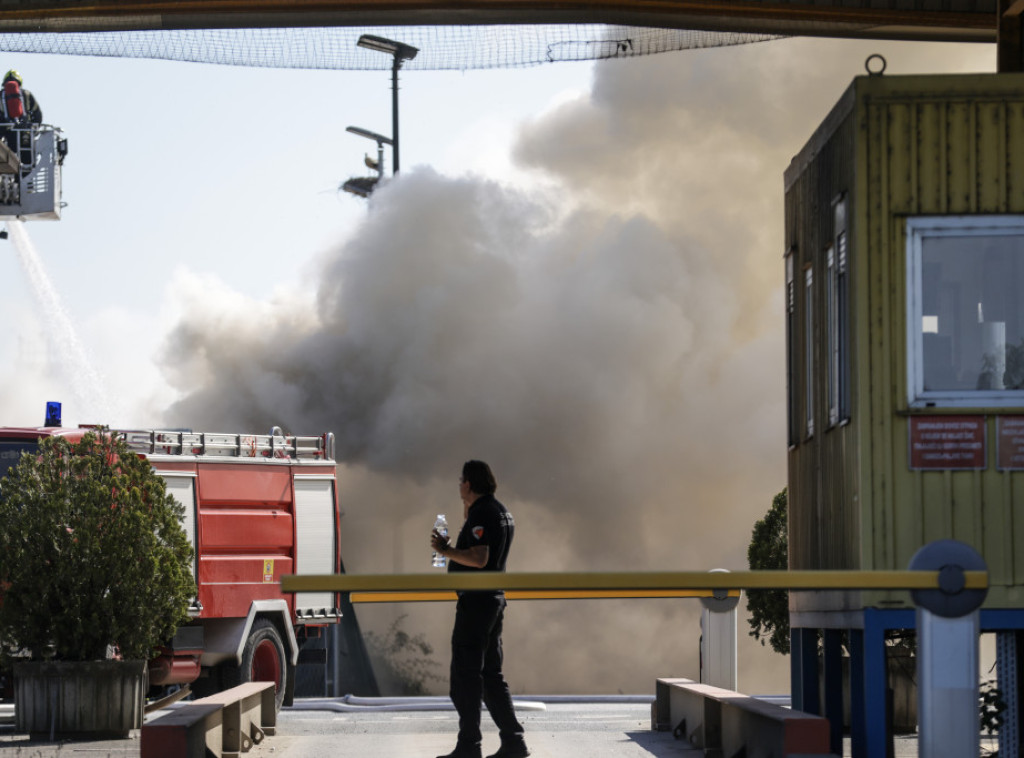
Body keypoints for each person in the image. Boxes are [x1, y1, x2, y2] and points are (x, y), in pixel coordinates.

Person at [430, 460, 529, 758]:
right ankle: (513, 741)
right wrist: (465, 515)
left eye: (461, 481)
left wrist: (446, 551)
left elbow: (479, 558)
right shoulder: (498, 511)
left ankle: (469, 745)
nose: (458, 486)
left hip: (476, 605)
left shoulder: (483, 512)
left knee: (465, 678)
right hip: (492, 602)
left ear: (469, 484)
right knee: (490, 676)